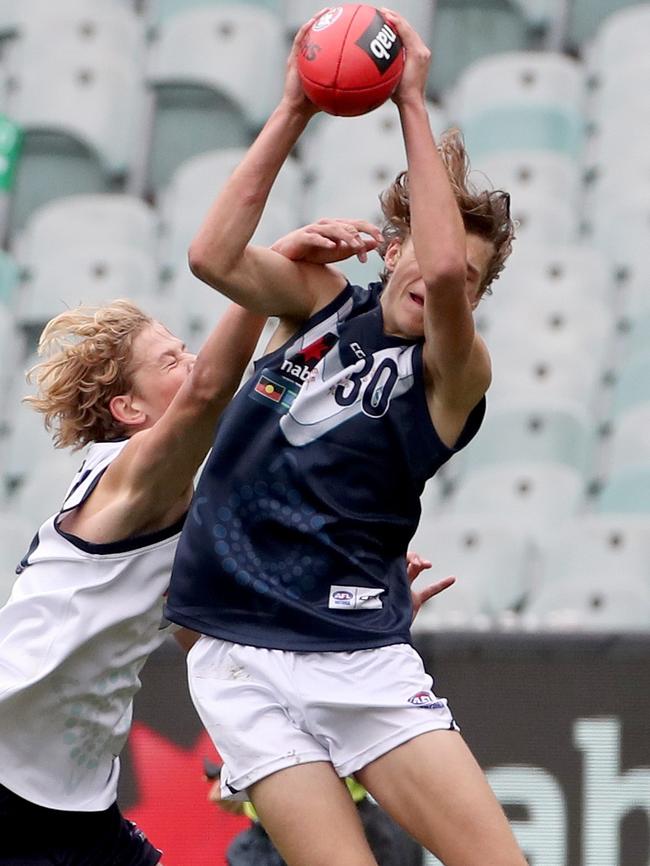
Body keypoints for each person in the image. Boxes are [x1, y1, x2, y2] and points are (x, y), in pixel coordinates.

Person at [165, 6, 523, 866]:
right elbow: (212, 255)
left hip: (353, 651)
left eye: (474, 283)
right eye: (441, 261)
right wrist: (293, 105)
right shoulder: (320, 303)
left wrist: (408, 102)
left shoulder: (454, 374)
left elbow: (441, 269)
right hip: (235, 647)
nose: (449, 283)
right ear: (389, 245)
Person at [0, 299, 265, 865]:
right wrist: (265, 282)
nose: (192, 363)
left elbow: (213, 642)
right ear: (128, 408)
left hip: (75, 801)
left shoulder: (178, 509)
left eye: (186, 351)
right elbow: (211, 392)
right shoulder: (131, 475)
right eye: (170, 361)